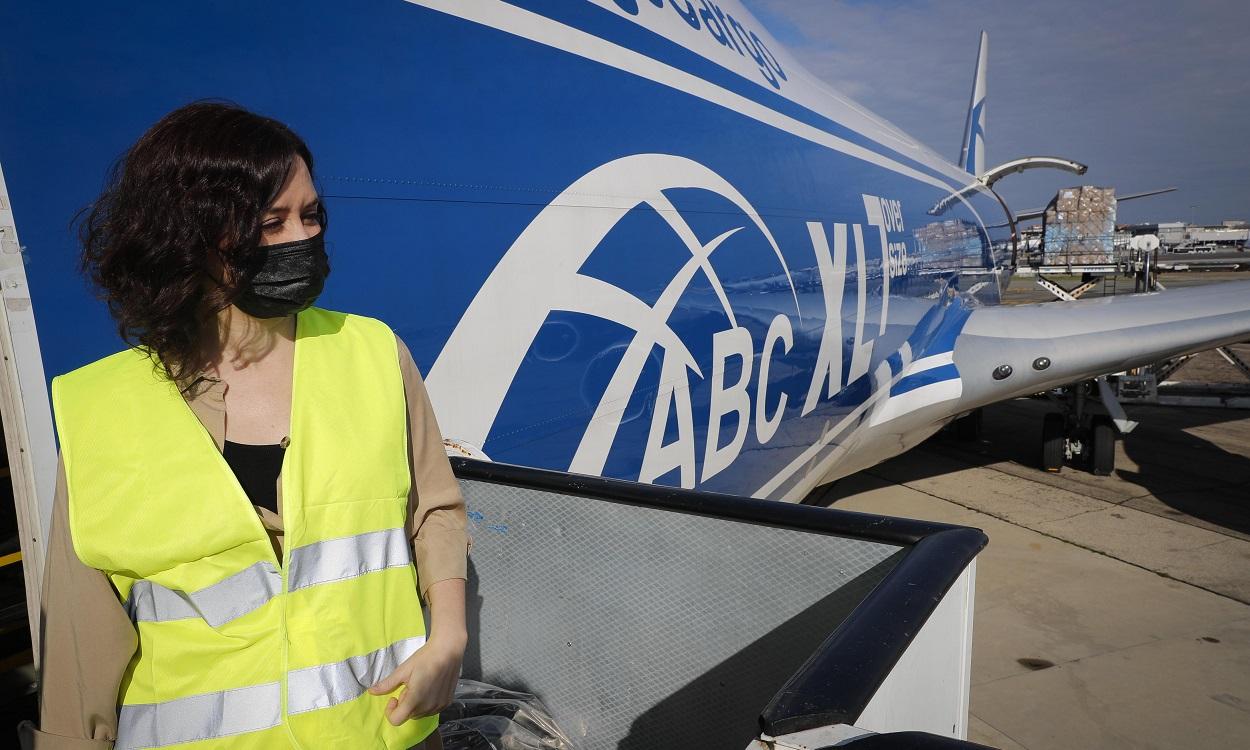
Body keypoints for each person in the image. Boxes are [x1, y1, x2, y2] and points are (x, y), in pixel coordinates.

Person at [19, 102, 469, 749]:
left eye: (311, 216)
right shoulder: (101, 408)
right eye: (270, 223)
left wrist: (449, 637)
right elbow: (80, 641)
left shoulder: (372, 353)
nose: (301, 239)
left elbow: (435, 510)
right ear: (190, 236)